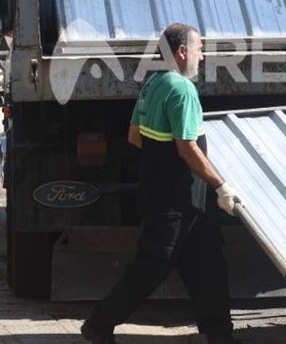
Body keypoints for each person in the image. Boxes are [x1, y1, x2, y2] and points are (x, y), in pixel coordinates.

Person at [82, 23, 242, 344]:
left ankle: (220, 335)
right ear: (182, 51)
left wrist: (161, 161)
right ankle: (98, 324)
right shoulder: (182, 89)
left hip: (168, 195)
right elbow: (187, 148)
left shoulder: (152, 83)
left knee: (208, 263)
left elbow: (134, 137)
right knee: (153, 265)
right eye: (199, 48)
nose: (203, 54)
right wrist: (220, 186)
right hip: (176, 200)